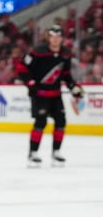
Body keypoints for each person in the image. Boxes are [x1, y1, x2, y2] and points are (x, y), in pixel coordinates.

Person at [17, 24, 84, 167]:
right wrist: (30, 83)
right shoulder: (38, 52)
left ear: (61, 38)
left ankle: (56, 152)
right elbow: (21, 67)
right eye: (53, 36)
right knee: (41, 122)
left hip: (56, 94)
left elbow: (65, 74)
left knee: (61, 122)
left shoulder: (65, 53)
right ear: (48, 37)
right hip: (40, 94)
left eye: (58, 36)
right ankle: (33, 153)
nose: (55, 39)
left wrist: (73, 87)